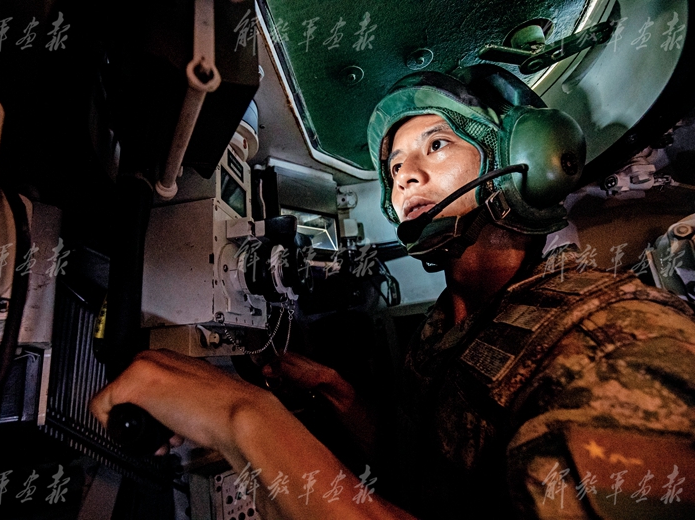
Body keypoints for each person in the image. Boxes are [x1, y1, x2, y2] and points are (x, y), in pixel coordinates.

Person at [91, 65, 695, 519]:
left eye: (437, 144)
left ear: (521, 160)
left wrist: (244, 418)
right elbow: (421, 462)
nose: (405, 175)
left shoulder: (619, 342)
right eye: (394, 166)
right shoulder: (450, 320)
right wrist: (333, 388)